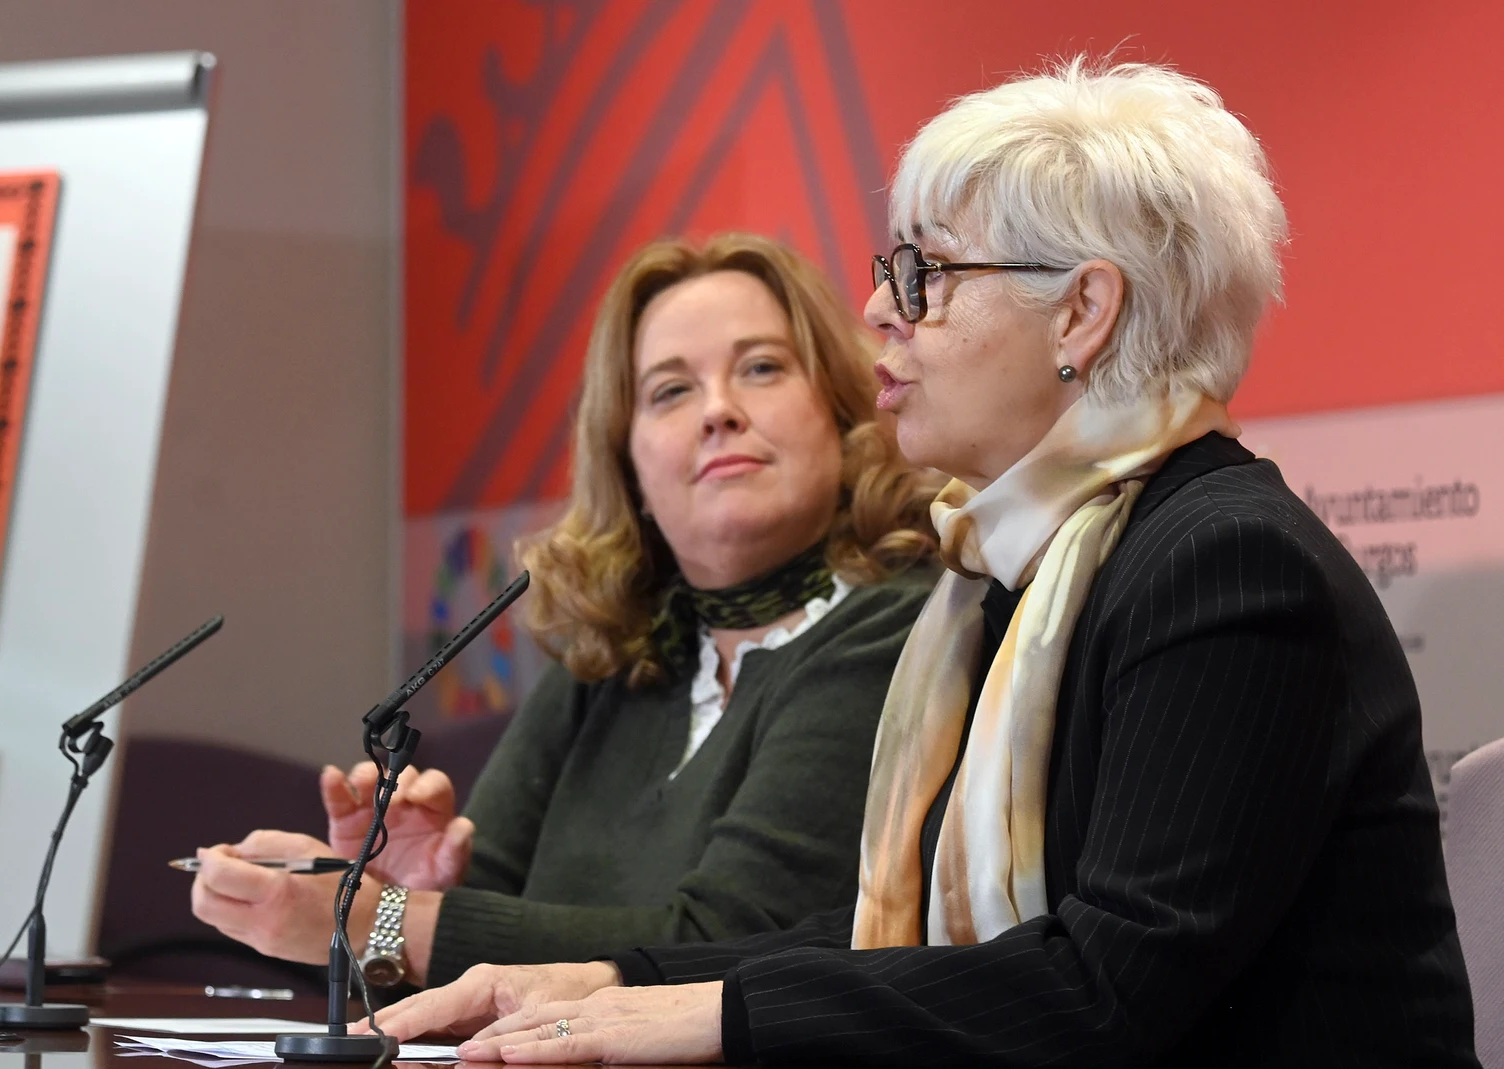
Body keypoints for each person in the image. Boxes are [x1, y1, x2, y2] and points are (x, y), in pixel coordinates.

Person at [362, 60, 1479, 1066]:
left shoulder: (1225, 565)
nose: (876, 315)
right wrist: (616, 983)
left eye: (924, 276)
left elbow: (1106, 986)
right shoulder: (1019, 574)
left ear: (1081, 314)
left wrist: (714, 1016)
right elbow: (911, 935)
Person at [189, 233, 940, 991]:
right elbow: (461, 944)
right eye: (670, 391)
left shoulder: (892, 628)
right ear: (631, 464)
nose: (719, 410)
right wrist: (407, 896)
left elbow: (729, 943)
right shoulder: (612, 656)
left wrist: (379, 920)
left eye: (762, 368)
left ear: (842, 414)